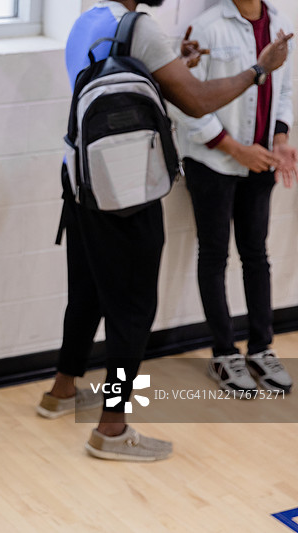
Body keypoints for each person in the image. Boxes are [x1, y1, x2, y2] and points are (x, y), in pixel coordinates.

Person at [36, 0, 293, 461]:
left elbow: (113, 79)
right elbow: (195, 101)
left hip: (80, 177)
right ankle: (112, 427)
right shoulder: (143, 28)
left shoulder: (89, 20)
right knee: (133, 313)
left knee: (88, 292)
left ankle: (61, 391)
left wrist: (174, 67)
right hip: (125, 190)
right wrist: (260, 69)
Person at [174, 0, 295, 395]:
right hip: (213, 162)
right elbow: (187, 105)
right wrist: (233, 148)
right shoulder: (203, 29)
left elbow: (286, 88)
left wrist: (280, 137)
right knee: (214, 255)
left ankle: (261, 348)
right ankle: (224, 354)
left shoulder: (280, 23)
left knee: (256, 255)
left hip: (259, 162)